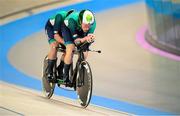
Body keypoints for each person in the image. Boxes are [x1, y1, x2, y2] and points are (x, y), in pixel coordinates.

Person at [62, 9, 96, 83]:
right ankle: (65, 75)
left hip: (80, 30)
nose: (88, 27)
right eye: (86, 25)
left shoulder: (92, 24)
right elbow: (76, 41)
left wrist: (90, 39)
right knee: (70, 48)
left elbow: (87, 39)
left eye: (89, 25)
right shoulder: (72, 20)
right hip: (68, 29)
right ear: (80, 21)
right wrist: (85, 38)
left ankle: (77, 71)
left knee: (85, 51)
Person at [45, 10, 74, 80]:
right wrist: (66, 43)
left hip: (62, 30)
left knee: (69, 50)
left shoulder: (71, 22)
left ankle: (60, 68)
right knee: (54, 45)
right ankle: (49, 71)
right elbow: (56, 36)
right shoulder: (60, 17)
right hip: (52, 29)